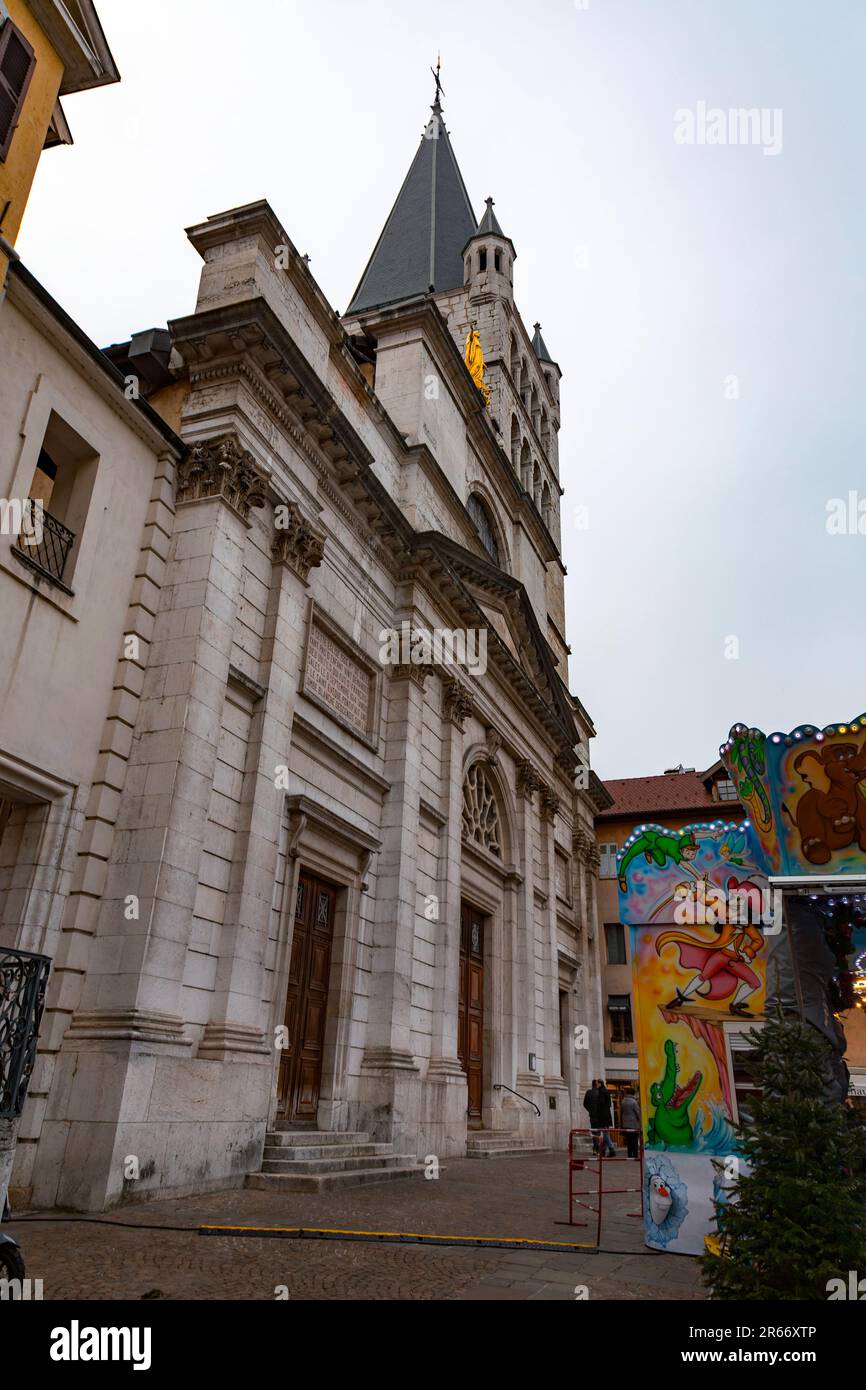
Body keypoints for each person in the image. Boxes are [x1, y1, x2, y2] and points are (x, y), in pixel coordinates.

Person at [595, 1080, 616, 1157]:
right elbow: (609, 1104)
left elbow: (601, 1104)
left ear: (600, 1084)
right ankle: (603, 1150)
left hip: (602, 1116)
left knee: (605, 1134)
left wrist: (597, 1110)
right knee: (605, 1133)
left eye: (597, 1084)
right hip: (606, 1115)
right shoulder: (606, 1091)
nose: (596, 1085)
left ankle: (611, 1149)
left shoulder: (601, 1092)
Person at [621, 1087, 641, 1159]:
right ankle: (635, 1155)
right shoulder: (634, 1102)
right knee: (634, 1140)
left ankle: (629, 1154)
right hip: (634, 1123)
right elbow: (637, 1112)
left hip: (626, 1123)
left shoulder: (623, 1101)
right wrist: (640, 1122)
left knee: (629, 1140)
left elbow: (622, 1112)